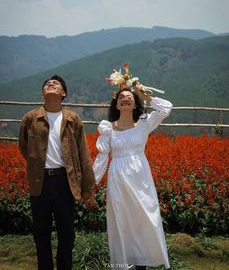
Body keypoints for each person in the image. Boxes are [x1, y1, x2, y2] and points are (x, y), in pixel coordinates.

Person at [19, 75, 97, 270]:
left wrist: (88, 188)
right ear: (43, 93)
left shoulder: (73, 119)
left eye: (55, 84)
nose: (50, 84)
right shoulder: (30, 118)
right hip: (40, 183)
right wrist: (36, 165)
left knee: (67, 233)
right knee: (41, 233)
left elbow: (83, 155)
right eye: (47, 84)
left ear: (63, 93)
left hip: (65, 182)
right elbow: (24, 147)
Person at [93, 86, 173, 270]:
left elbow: (166, 108)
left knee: (145, 219)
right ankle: (124, 264)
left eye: (130, 97)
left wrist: (147, 97)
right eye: (121, 97)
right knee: (122, 222)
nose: (126, 99)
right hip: (118, 178)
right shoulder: (108, 129)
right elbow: (102, 157)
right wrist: (92, 182)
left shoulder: (144, 123)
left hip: (140, 178)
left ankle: (142, 264)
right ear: (117, 104)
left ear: (136, 103)